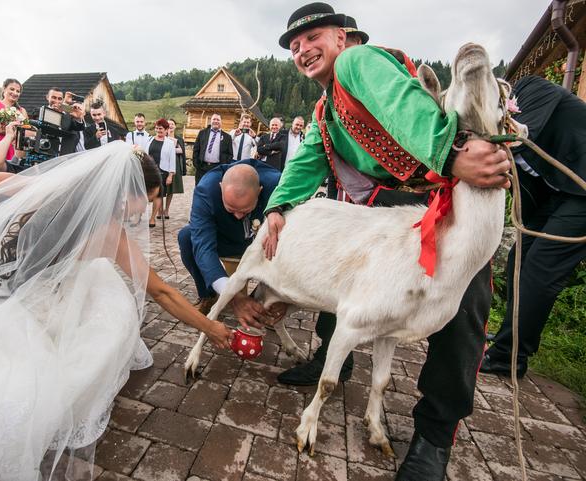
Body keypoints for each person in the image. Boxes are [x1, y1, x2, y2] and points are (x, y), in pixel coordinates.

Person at [0, 142, 231, 481]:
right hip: (36, 300)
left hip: (4, 275)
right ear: (128, 192)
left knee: (104, 287)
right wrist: (210, 327)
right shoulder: (110, 232)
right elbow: (163, 292)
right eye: (147, 200)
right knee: (102, 325)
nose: (146, 209)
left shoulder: (54, 189)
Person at [264, 4, 510, 480]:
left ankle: (435, 435)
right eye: (294, 46)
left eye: (313, 37)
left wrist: (451, 153)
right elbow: (306, 162)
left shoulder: (358, 62)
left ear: (342, 37)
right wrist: (277, 206)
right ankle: (332, 361)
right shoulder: (324, 111)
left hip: (438, 202)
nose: (303, 50)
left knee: (462, 309)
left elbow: (400, 104)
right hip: (381, 209)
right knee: (345, 280)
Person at [480, 75, 586, 378]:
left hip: (582, 189)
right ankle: (512, 337)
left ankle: (508, 358)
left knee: (541, 266)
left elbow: (521, 135)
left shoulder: (531, 88)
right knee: (519, 258)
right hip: (561, 193)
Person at [178, 159, 285, 323]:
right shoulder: (206, 190)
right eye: (231, 209)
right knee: (187, 237)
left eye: (245, 210)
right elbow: (203, 245)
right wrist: (231, 295)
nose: (238, 216)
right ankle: (208, 295)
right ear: (221, 187)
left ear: (260, 191)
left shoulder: (279, 185)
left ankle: (264, 301)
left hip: (263, 244)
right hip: (225, 239)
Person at [0, 78, 28, 159]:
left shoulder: (22, 111)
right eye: (12, 89)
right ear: (4, 89)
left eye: (18, 91)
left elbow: (27, 130)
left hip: (13, 145)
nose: (15, 93)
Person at [146, 118, 176, 228]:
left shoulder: (170, 143)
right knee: (145, 194)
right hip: (148, 172)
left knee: (158, 195)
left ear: (166, 130)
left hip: (162, 172)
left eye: (161, 129)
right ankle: (140, 216)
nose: (158, 130)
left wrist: (170, 175)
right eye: (157, 128)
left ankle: (152, 218)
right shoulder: (149, 140)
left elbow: (172, 160)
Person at [41, 87, 85, 156]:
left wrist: (78, 118)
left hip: (65, 158)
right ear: (47, 97)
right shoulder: (40, 111)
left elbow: (79, 127)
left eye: (59, 99)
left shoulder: (68, 115)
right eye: (54, 97)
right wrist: (62, 107)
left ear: (62, 100)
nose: (56, 101)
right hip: (46, 156)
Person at [192, 113, 233, 185]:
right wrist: (196, 164)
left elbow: (230, 154)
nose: (216, 121)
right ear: (210, 121)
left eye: (218, 120)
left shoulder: (227, 137)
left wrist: (224, 166)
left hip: (217, 168)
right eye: (214, 119)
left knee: (214, 188)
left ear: (221, 122)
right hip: (202, 167)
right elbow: (196, 149)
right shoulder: (202, 133)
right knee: (200, 187)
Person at [164, 118, 185, 218]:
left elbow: (182, 151)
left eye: (172, 124)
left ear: (175, 126)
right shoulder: (162, 136)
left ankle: (166, 210)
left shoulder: (179, 139)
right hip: (164, 164)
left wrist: (172, 148)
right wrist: (174, 148)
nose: (170, 125)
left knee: (171, 189)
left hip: (175, 164)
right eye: (169, 124)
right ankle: (159, 210)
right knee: (161, 188)